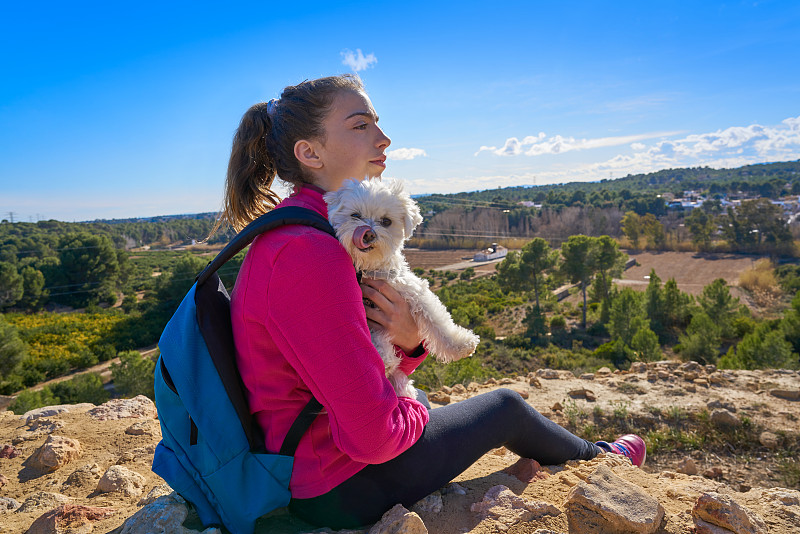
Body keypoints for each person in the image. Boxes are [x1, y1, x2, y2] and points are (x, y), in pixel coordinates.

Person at [216, 74, 645, 529]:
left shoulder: (301, 231)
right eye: (361, 125)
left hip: (304, 460)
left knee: (431, 402)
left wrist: (411, 344)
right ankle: (602, 459)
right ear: (310, 152)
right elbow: (372, 439)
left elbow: (350, 363)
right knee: (504, 407)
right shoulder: (312, 253)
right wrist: (417, 408)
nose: (384, 138)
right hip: (334, 482)